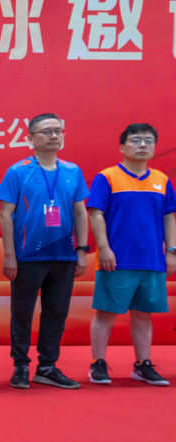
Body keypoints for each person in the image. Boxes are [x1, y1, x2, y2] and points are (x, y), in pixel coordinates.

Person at [0, 112, 89, 389]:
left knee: (56, 312)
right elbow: (5, 214)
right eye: (47, 131)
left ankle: (47, 367)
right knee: (22, 313)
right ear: (30, 139)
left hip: (64, 255)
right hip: (28, 255)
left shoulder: (72, 171)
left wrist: (82, 250)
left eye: (59, 131)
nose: (54, 136)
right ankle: (20, 365)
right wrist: (9, 255)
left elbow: (80, 212)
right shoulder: (18, 171)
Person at [87, 123, 176, 387]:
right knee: (106, 313)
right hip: (116, 259)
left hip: (152, 260)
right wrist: (104, 248)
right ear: (122, 146)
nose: (143, 145)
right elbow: (95, 213)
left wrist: (171, 250)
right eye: (136, 140)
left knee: (143, 315)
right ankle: (98, 364)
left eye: (149, 140)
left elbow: (169, 217)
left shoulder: (161, 180)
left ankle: (142, 365)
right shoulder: (107, 177)